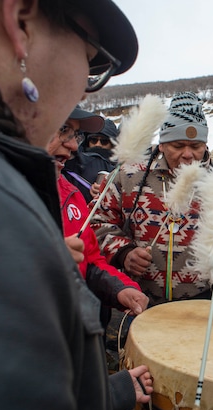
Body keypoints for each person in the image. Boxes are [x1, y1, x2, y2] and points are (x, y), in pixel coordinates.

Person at [0, 1, 210, 410]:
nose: (81, 89)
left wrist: (106, 391)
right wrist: (124, 251)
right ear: (21, 21)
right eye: (92, 63)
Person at [91, 92, 213, 306]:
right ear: (161, 144)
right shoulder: (130, 175)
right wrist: (124, 252)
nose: (188, 154)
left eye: (196, 146)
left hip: (203, 304)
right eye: (178, 146)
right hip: (142, 302)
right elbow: (97, 222)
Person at [50, 111, 148, 332]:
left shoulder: (71, 194)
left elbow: (90, 261)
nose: (75, 146)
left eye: (76, 134)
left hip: (79, 335)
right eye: (64, 130)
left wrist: (119, 289)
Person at [66, 116, 120, 202]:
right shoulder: (74, 163)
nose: (98, 144)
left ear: (113, 145)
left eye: (104, 141)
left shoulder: (120, 167)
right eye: (94, 140)